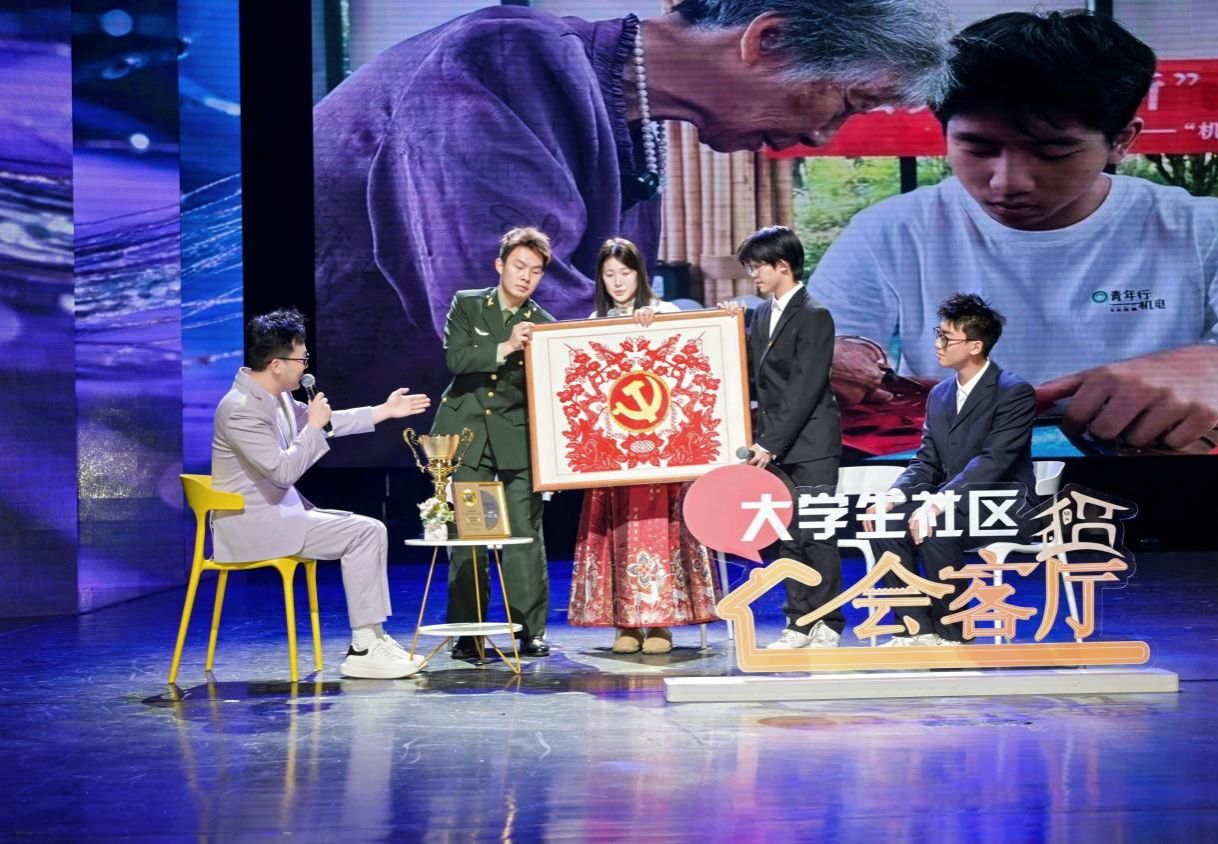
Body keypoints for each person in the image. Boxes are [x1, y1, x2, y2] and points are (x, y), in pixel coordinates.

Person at [313, 1, 955, 431]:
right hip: (359, 440)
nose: (822, 138)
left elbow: (613, 316)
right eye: (847, 103)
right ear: (768, 41)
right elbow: (510, 327)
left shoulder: (634, 119)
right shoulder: (503, 59)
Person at [814, 10, 1218, 454]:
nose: (1008, 182)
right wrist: (839, 359)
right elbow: (828, 350)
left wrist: (1215, 367)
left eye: (1052, 152)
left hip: (1147, 464)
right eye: (978, 148)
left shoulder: (1200, 231)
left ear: (1122, 141)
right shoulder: (892, 231)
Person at [211, 308, 432, 679]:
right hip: (252, 526)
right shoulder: (240, 410)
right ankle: (364, 647)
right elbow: (283, 471)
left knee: (369, 529)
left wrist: (383, 411)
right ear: (277, 364)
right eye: (302, 359)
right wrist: (313, 426)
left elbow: (326, 423)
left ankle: (372, 638)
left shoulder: (276, 397)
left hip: (281, 514)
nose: (306, 367)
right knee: (365, 532)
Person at [568, 237, 720, 654]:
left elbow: (696, 363)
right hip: (615, 455)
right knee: (618, 534)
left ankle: (661, 624)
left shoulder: (666, 313)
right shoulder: (594, 323)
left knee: (660, 532)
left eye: (626, 273)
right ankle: (627, 624)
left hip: (661, 452)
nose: (618, 282)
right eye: (610, 274)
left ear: (640, 274)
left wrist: (661, 328)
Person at [864, 294, 1038, 645]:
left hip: (1001, 503)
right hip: (954, 503)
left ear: (975, 346)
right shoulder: (940, 394)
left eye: (946, 338)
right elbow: (927, 460)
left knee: (937, 526)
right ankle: (914, 629)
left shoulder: (1013, 391)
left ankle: (952, 632)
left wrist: (938, 502)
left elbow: (993, 461)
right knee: (886, 523)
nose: (937, 344)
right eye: (938, 334)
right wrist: (894, 495)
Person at [430, 227, 556, 659]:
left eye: (535, 271)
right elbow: (456, 358)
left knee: (525, 535)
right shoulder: (468, 304)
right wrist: (505, 346)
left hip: (517, 439)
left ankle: (530, 630)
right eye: (519, 266)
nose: (526, 277)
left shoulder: (544, 324)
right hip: (468, 436)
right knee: (471, 534)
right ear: (500, 265)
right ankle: (469, 632)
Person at [723, 226, 843, 649]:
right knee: (786, 535)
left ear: (783, 266)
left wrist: (770, 443)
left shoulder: (814, 314)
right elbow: (752, 374)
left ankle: (828, 622)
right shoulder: (760, 314)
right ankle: (799, 623)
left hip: (811, 445)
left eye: (758, 267)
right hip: (773, 445)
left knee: (816, 532)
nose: (753, 275)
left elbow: (804, 389)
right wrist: (728, 326)